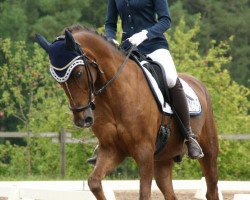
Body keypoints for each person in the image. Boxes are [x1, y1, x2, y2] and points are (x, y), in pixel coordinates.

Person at [87, 0, 203, 164]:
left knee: (170, 78)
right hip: (128, 49)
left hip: (155, 45)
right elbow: (110, 23)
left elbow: (165, 21)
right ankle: (104, 141)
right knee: (110, 82)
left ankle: (188, 136)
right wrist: (111, 38)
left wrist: (146, 34)